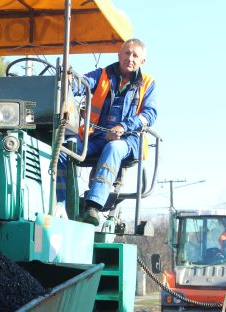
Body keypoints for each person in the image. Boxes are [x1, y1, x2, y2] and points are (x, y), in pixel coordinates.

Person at [57, 38, 158, 225]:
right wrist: (70, 80)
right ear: (119, 55)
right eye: (127, 53)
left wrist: (124, 127)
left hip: (129, 141)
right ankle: (60, 204)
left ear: (142, 61)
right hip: (95, 136)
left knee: (113, 148)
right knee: (64, 149)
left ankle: (93, 206)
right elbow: (83, 83)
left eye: (135, 55)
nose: (130, 58)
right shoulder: (103, 75)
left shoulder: (147, 83)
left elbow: (149, 114)